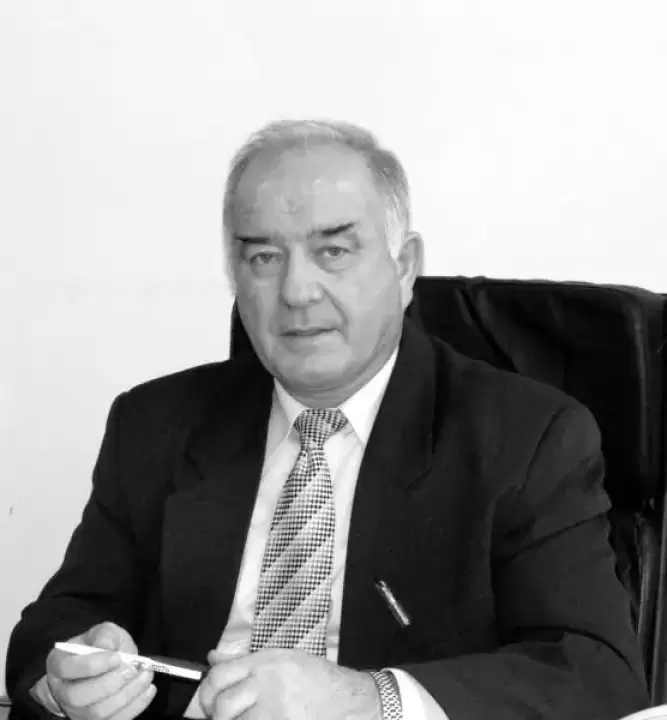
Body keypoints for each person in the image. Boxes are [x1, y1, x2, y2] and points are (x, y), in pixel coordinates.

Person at [6, 119, 648, 720]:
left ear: (404, 266)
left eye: (334, 251)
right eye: (263, 258)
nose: (296, 292)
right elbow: (54, 627)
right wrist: (67, 678)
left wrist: (367, 700)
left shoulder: (527, 438)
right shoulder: (155, 425)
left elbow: (595, 672)